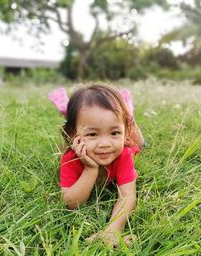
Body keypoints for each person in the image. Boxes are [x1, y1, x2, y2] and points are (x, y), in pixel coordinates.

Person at [49, 83, 145, 247]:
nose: (105, 144)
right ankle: (73, 116)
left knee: (139, 145)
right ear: (74, 135)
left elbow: (128, 196)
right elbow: (71, 203)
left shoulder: (123, 154)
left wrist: (113, 229)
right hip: (84, 138)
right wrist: (90, 169)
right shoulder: (70, 158)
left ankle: (129, 117)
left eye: (114, 133)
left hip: (128, 142)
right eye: (92, 134)